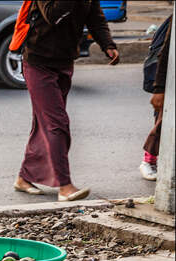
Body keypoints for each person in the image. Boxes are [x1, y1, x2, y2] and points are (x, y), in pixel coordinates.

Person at [13, 0, 120, 201]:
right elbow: (53, 15)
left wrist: (108, 44)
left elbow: (95, 18)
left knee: (43, 124)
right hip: (38, 62)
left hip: (64, 61)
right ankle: (65, 186)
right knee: (57, 124)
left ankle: (24, 178)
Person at [141, 14, 172, 181]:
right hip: (169, 77)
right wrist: (159, 88)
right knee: (162, 121)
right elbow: (164, 52)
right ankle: (149, 160)